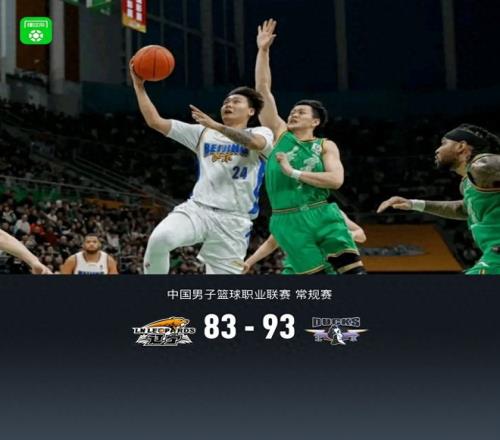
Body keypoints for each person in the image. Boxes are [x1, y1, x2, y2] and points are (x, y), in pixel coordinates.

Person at [129, 60, 274, 274]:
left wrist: (217, 126)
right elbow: (155, 122)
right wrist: (139, 86)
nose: (228, 104)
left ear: (251, 111)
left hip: (234, 221)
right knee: (161, 239)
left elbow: (255, 144)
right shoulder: (203, 133)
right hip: (198, 209)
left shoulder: (261, 132)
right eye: (226, 102)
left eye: (236, 101)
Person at [255, 19, 365, 274]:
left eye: (301, 112)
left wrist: (293, 172)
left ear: (315, 121)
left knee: (353, 274)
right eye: (292, 111)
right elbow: (262, 90)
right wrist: (263, 51)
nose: (293, 114)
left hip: (320, 212)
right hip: (286, 217)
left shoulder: (325, 145)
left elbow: (335, 180)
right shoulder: (280, 134)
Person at [377, 124, 500, 275]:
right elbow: (464, 209)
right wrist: (413, 204)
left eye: (443, 143)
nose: (437, 150)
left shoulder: (483, 165)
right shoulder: (468, 182)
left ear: (461, 146)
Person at [243, 210, 366, 274]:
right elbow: (271, 243)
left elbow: (361, 235)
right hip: (295, 269)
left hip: (328, 269)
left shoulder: (332, 212)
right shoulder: (289, 217)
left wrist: (351, 235)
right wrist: (249, 262)